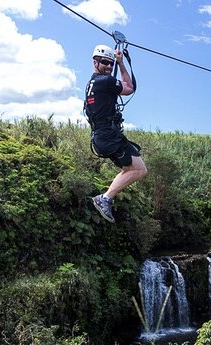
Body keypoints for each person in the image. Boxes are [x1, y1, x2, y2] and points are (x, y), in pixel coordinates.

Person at [84, 44, 147, 223]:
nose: (109, 66)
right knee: (140, 169)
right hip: (109, 137)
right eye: (105, 62)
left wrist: (116, 61)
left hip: (101, 138)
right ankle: (104, 198)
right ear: (95, 62)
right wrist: (121, 63)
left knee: (129, 169)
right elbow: (129, 87)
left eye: (111, 63)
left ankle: (105, 198)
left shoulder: (92, 82)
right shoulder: (106, 81)